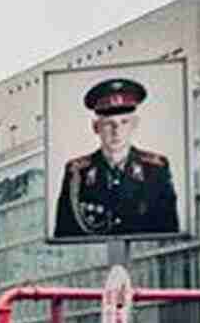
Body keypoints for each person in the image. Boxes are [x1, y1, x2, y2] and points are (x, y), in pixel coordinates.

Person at [53, 76, 180, 239]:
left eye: (124, 122)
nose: (116, 131)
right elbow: (64, 234)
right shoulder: (77, 172)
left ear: (135, 124)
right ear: (96, 127)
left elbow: (169, 234)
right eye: (108, 124)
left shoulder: (156, 169)